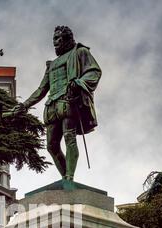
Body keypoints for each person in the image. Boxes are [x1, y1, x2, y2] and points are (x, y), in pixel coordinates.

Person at [13, 25, 102, 181]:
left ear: (66, 38)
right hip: (52, 106)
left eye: (57, 38)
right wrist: (24, 105)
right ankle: (65, 179)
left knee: (69, 138)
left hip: (68, 102)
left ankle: (69, 177)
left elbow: (94, 71)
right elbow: (41, 89)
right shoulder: (52, 65)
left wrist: (79, 82)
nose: (54, 42)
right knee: (51, 146)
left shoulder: (80, 52)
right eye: (53, 39)